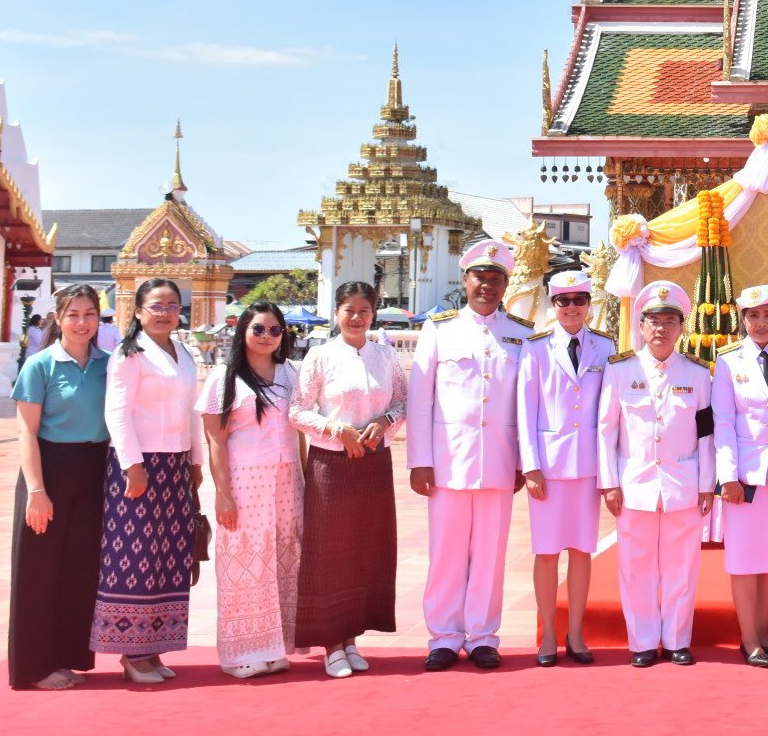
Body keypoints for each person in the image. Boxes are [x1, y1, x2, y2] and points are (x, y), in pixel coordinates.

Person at [408, 242, 532, 672]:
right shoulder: (440, 329)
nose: (487, 286)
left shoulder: (521, 333)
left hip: (498, 461)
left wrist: (522, 461)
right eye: (480, 278)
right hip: (447, 462)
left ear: (505, 285)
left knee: (490, 554)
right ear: (465, 280)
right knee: (445, 552)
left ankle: (482, 636)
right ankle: (443, 636)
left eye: (496, 279)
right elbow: (419, 399)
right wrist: (418, 460)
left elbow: (525, 405)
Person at [289, 280, 407, 678]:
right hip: (331, 465)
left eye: (364, 311)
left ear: (374, 314)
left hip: (374, 463)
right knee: (329, 552)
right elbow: (298, 410)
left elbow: (402, 401)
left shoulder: (386, 357)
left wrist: (384, 421)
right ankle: (331, 642)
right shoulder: (319, 357)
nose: (356, 318)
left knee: (366, 551)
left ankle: (352, 637)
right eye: (349, 310)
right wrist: (336, 430)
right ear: (336, 313)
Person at [91, 278, 203, 685]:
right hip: (138, 464)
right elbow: (116, 412)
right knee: (134, 556)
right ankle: (131, 652)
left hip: (175, 463)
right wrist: (132, 466)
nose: (165, 311)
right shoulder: (128, 353)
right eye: (156, 305)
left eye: (172, 305)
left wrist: (195, 460)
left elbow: (191, 411)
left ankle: (154, 646)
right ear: (137, 311)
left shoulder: (183, 353)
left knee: (168, 555)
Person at [597, 282, 715, 667]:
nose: (661, 328)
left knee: (682, 567)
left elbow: (706, 433)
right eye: (653, 321)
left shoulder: (698, 375)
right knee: (636, 567)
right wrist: (609, 482)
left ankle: (677, 638)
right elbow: (606, 431)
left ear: (682, 327)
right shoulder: (621, 371)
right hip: (635, 484)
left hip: (683, 484)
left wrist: (706, 484)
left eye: (670, 321)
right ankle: (644, 641)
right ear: (641, 326)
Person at [6, 284, 110, 689]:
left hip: (94, 470)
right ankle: (33, 667)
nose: (82, 323)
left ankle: (66, 656)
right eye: (73, 315)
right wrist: (36, 490)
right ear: (58, 319)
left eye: (89, 315)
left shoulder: (109, 364)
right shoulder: (41, 365)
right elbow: (25, 432)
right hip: (48, 470)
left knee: (78, 570)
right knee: (38, 571)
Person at [197, 301, 302, 679]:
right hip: (245, 479)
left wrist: (305, 478)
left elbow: (300, 431)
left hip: (288, 478)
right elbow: (214, 440)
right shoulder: (225, 377)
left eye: (275, 330)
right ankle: (242, 651)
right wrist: (222, 493)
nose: (267, 336)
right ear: (243, 331)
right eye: (258, 328)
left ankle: (275, 647)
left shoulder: (291, 372)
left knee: (282, 557)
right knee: (245, 561)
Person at [516, 269, 611, 667]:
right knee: (547, 552)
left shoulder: (605, 348)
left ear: (589, 304)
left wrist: (610, 472)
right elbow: (525, 411)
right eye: (563, 301)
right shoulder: (535, 348)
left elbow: (611, 413)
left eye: (579, 300)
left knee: (582, 551)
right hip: (549, 469)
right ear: (553, 305)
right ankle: (548, 637)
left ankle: (576, 633)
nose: (572, 308)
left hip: (588, 466)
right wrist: (530, 466)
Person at [711, 283, 768, 668]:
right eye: (753, 316)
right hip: (744, 476)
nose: (761, 323)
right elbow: (722, 423)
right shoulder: (729, 361)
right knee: (745, 557)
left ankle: (763, 630)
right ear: (742, 320)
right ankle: (748, 637)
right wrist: (727, 475)